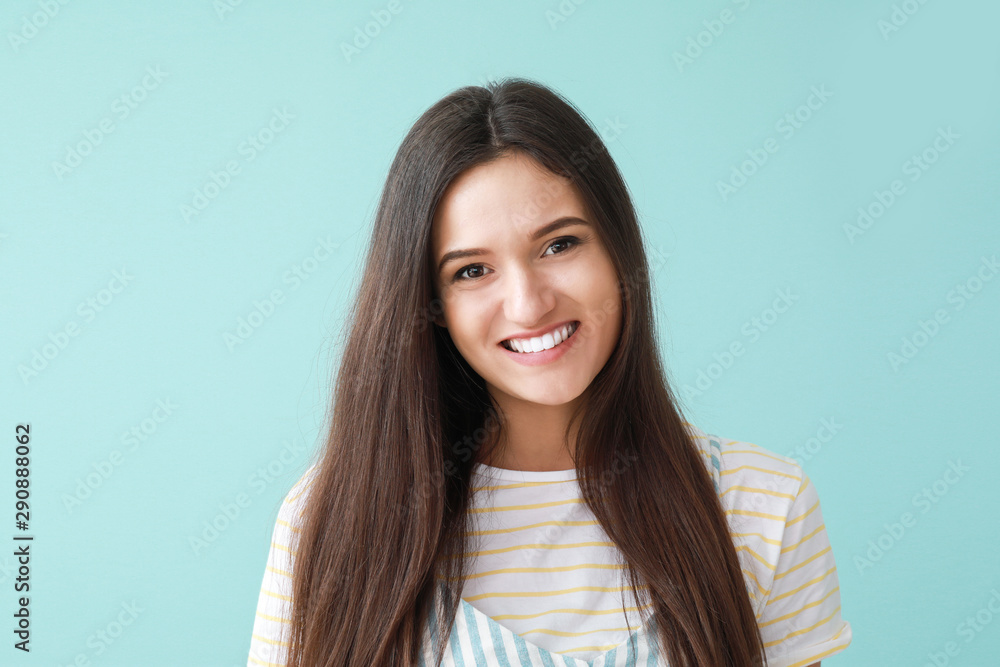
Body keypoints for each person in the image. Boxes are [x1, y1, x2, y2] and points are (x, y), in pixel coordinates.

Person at [247, 78, 852, 667]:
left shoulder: (761, 505)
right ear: (428, 308)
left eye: (559, 245)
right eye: (471, 271)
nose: (529, 305)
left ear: (619, 249)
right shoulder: (331, 520)